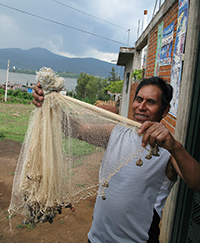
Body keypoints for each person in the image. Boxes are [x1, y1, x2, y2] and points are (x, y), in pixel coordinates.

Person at [33, 76, 200, 243]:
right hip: (96, 238)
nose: (141, 107)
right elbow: (76, 128)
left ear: (164, 110)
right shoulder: (116, 132)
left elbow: (197, 183)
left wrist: (175, 147)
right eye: (139, 99)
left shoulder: (169, 151)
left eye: (150, 102)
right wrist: (50, 102)